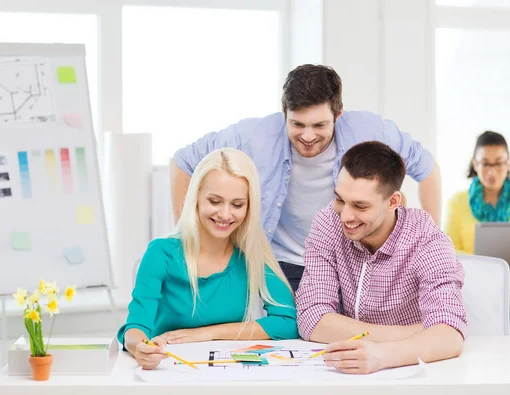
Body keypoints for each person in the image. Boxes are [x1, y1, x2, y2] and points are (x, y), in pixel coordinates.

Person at [172, 64, 442, 291]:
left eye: (320, 125)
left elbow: (428, 171)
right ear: (284, 113)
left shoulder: (371, 130)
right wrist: (188, 239)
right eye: (297, 124)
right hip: (280, 264)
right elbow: (183, 162)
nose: (308, 136)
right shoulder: (253, 136)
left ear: (338, 114)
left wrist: (433, 244)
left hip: (348, 264)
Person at [118, 148, 298, 370]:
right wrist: (140, 348)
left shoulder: (253, 256)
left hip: (225, 374)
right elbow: (136, 327)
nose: (225, 214)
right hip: (167, 370)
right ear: (196, 199)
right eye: (215, 201)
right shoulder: (160, 253)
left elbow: (287, 322)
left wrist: (205, 334)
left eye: (237, 204)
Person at [295, 141, 466, 375]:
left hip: (413, 370)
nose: (345, 216)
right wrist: (417, 333)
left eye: (360, 206)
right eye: (340, 199)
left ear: (393, 202)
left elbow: (449, 335)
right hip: (350, 369)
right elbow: (311, 318)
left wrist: (383, 354)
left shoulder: (426, 238)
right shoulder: (327, 223)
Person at [444, 131, 510, 335]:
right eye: (485, 163)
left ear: (508, 164)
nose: (492, 171)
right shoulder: (457, 203)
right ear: (475, 164)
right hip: (473, 284)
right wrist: (488, 265)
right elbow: (449, 249)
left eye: (498, 163)